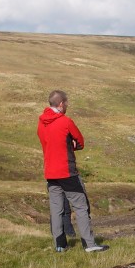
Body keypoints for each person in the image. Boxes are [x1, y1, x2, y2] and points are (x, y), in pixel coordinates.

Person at [37, 89, 108, 253]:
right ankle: (89, 245)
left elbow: (48, 144)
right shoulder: (66, 121)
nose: (67, 105)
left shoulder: (41, 123)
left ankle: (60, 245)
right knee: (81, 207)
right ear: (61, 104)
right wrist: (71, 146)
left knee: (56, 209)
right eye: (66, 103)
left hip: (50, 173)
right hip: (66, 171)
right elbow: (80, 141)